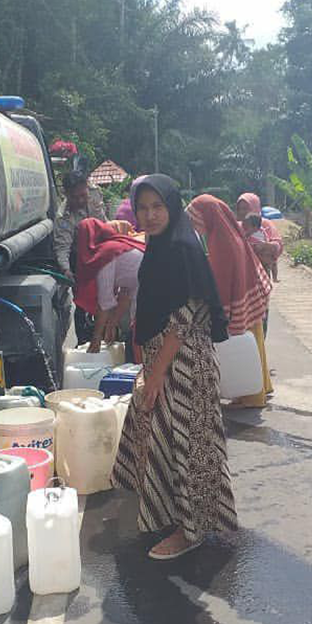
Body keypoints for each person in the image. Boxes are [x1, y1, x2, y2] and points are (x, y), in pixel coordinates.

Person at [111, 176, 237, 560]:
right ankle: (173, 514)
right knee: (160, 436)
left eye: (157, 207)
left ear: (172, 207)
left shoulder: (182, 248)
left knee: (189, 444)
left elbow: (184, 318)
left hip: (184, 365)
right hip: (164, 359)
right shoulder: (160, 246)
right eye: (143, 207)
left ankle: (191, 530)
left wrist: (157, 373)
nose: (149, 215)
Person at [187, 194, 273, 408]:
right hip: (253, 291)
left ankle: (253, 397)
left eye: (195, 220)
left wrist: (219, 312)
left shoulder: (220, 240)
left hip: (243, 295)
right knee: (255, 344)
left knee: (246, 346)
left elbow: (222, 280)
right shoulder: (226, 231)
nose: (195, 226)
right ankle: (261, 388)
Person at [73, 217, 146, 362]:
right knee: (139, 340)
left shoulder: (105, 254)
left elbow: (105, 303)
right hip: (146, 289)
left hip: (147, 291)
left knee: (140, 342)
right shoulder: (118, 246)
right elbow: (125, 292)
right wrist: (111, 324)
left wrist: (96, 338)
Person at [53, 169, 106, 343]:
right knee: (83, 305)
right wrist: (66, 270)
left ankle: (108, 336)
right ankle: (84, 341)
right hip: (79, 263)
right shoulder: (63, 218)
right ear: (66, 194)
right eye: (76, 197)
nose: (81, 200)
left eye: (84, 195)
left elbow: (104, 226)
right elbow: (63, 248)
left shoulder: (94, 195)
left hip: (102, 254)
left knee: (107, 301)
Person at [236, 192, 284, 323]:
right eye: (239, 208)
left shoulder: (266, 225)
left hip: (261, 272)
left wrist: (264, 246)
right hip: (241, 275)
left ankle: (260, 340)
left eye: (246, 208)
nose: (242, 212)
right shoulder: (236, 226)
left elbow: (278, 245)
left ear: (254, 208)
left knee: (260, 311)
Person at [240, 212, 278, 281]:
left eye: (247, 225)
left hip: (261, 258)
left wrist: (264, 246)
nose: (245, 227)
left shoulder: (261, 232)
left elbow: (267, 242)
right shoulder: (246, 233)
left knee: (267, 269)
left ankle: (271, 280)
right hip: (253, 259)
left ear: (255, 227)